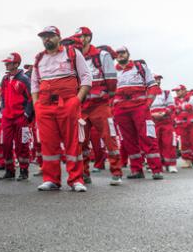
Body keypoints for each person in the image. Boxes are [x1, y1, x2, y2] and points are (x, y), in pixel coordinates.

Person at [31, 26, 92, 192]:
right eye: (44, 37)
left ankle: (76, 179)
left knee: (73, 142)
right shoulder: (39, 58)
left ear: (58, 37)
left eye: (50, 36)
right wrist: (36, 105)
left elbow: (87, 77)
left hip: (68, 104)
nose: (46, 39)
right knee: (48, 144)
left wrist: (77, 100)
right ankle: (51, 179)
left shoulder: (71, 53)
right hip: (44, 106)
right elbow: (34, 84)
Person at [74, 27, 123, 185]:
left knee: (109, 138)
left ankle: (116, 173)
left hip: (100, 105)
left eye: (82, 36)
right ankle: (84, 174)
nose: (79, 39)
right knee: (81, 141)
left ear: (89, 37)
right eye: (77, 37)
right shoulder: (74, 56)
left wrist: (106, 96)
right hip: (82, 106)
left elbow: (111, 81)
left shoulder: (102, 55)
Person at [113, 46, 164, 179]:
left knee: (148, 137)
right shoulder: (113, 72)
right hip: (121, 110)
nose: (120, 55)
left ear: (128, 54)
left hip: (139, 109)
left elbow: (153, 87)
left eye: (122, 53)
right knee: (128, 141)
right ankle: (136, 170)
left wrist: (147, 105)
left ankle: (156, 170)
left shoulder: (140, 67)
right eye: (117, 54)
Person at [0, 52, 33, 181]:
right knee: (6, 144)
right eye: (6, 63)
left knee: (22, 144)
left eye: (9, 63)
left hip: (20, 118)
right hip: (7, 118)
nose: (6, 65)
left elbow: (31, 98)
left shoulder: (24, 79)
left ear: (16, 64)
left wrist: (26, 114)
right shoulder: (5, 79)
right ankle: (9, 171)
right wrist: (3, 109)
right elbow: (2, 96)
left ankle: (24, 170)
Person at [151, 75, 178, 173]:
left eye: (158, 80)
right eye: (155, 79)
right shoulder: (146, 94)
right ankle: (157, 165)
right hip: (153, 122)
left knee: (169, 143)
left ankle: (171, 165)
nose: (157, 81)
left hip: (166, 121)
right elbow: (144, 107)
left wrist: (164, 113)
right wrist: (152, 114)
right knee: (154, 144)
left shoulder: (166, 93)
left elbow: (171, 106)